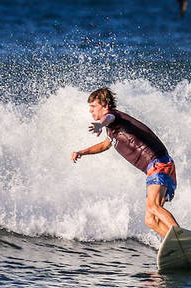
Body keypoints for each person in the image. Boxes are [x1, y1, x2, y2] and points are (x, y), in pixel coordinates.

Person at [70, 87, 180, 238]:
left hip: (158, 163)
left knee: (154, 207)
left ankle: (181, 236)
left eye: (93, 106)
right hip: (154, 169)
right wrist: (82, 152)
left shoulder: (114, 117)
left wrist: (100, 125)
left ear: (105, 106)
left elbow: (109, 118)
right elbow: (104, 145)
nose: (90, 110)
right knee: (150, 219)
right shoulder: (111, 131)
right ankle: (177, 244)